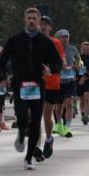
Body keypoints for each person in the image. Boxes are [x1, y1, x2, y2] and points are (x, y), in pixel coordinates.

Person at [0, 7, 63, 170]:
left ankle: (28, 158)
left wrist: (50, 70)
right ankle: (20, 132)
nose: (32, 21)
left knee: (35, 122)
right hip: (20, 85)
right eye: (29, 18)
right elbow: (1, 61)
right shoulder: (15, 40)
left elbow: (58, 63)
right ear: (24, 20)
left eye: (35, 18)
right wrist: (5, 76)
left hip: (38, 86)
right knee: (22, 117)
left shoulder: (45, 41)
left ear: (39, 21)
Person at [37, 16, 66, 158]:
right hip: (35, 83)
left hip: (52, 83)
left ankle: (48, 138)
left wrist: (51, 70)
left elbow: (59, 64)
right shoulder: (31, 41)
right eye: (40, 24)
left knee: (47, 116)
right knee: (35, 116)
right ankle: (36, 145)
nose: (42, 26)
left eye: (45, 24)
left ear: (50, 28)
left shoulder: (56, 43)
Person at [55, 29, 80, 136]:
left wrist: (78, 65)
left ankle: (67, 126)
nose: (66, 39)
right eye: (63, 37)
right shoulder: (54, 48)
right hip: (58, 81)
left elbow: (79, 59)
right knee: (59, 105)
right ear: (58, 38)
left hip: (71, 80)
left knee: (69, 103)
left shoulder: (73, 49)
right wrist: (58, 67)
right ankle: (59, 123)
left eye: (67, 37)